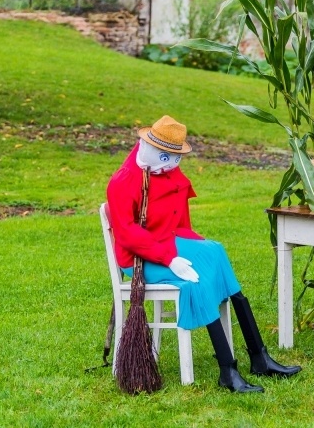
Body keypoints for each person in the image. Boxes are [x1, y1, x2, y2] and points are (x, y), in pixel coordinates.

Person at [106, 115, 301, 392]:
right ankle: (227, 370)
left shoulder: (166, 171)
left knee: (216, 253)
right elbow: (126, 233)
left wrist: (197, 248)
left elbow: (179, 221)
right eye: (170, 156)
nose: (175, 164)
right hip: (140, 258)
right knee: (196, 280)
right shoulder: (123, 181)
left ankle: (260, 356)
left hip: (169, 242)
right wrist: (169, 258)